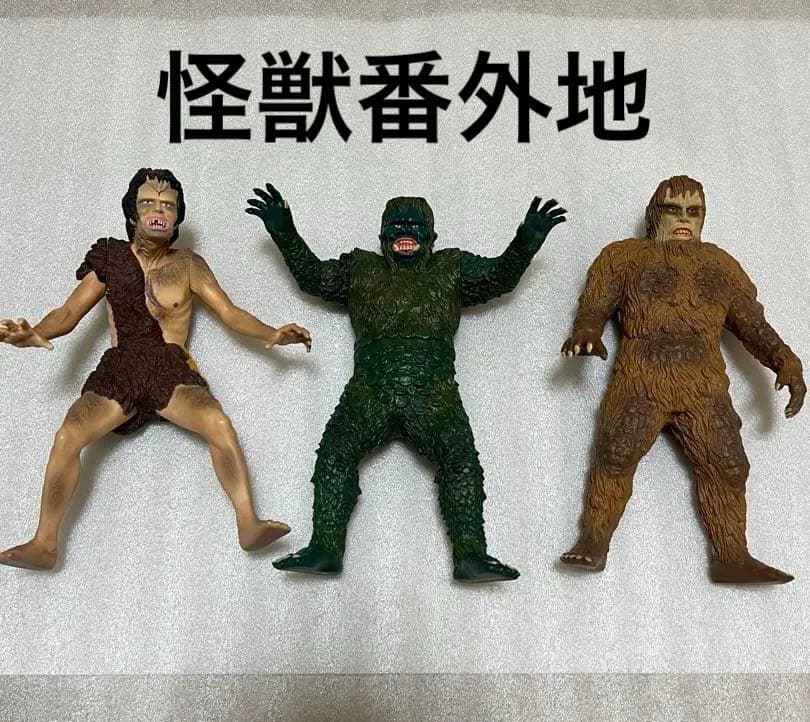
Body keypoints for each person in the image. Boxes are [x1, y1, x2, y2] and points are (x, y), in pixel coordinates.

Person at [248, 182, 566, 582]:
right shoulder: (360, 268)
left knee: (460, 460)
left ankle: (471, 554)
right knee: (335, 454)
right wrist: (284, 230)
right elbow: (314, 278)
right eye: (396, 225)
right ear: (382, 235)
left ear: (432, 237)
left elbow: (497, 278)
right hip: (370, 389)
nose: (405, 232)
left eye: (415, 226)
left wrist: (527, 239)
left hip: (433, 391)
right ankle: (326, 547)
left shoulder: (451, 268)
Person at [0, 168, 311, 570]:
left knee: (218, 423)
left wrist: (272, 333)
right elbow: (69, 311)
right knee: (67, 436)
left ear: (178, 217)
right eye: (148, 202)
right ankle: (44, 543)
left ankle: (248, 523)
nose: (158, 210)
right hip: (121, 368)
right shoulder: (111, 257)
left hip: (170, 369)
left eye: (168, 205)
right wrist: (36, 332)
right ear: (132, 212)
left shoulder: (189, 264)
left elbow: (230, 312)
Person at [560, 175, 805, 583]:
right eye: (673, 210)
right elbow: (594, 306)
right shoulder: (624, 257)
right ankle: (593, 542)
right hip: (641, 379)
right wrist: (586, 332)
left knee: (728, 466)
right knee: (615, 454)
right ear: (654, 215)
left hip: (703, 386)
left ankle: (732, 556)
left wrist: (784, 359)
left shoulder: (720, 266)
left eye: (694, 211)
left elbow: (752, 323)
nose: (684, 219)